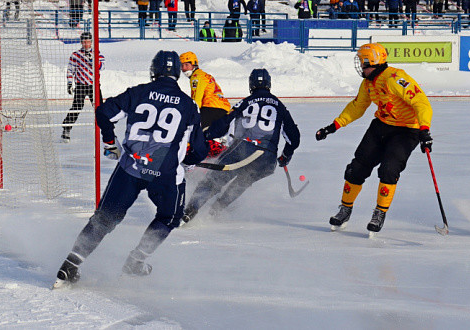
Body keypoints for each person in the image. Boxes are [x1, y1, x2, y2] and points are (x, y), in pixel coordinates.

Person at [54, 50, 208, 287]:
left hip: (131, 167)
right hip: (165, 174)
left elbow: (103, 112)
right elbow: (199, 149)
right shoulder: (189, 106)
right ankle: (136, 260)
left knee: (104, 218)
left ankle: (71, 264)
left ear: (154, 70)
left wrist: (109, 141)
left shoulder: (139, 92)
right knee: (170, 217)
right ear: (177, 72)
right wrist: (187, 162)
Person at [315, 43, 433, 234]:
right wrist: (333, 126)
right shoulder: (368, 83)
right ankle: (345, 209)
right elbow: (357, 107)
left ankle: (380, 212)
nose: (361, 67)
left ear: (373, 62)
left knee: (389, 169)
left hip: (406, 131)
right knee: (356, 168)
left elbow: (422, 103)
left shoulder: (395, 78)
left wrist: (424, 130)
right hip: (380, 127)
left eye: (363, 63)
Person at [182, 69, 301, 222]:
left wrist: (206, 135)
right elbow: (294, 138)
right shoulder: (280, 106)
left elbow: (224, 122)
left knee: (214, 180)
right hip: (267, 158)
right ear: (269, 84)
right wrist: (285, 156)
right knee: (242, 182)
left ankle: (190, 211)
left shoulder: (246, 101)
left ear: (251, 84)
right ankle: (216, 210)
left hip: (243, 149)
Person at [61, 32, 105, 142]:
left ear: (91, 42)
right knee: (76, 107)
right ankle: (66, 129)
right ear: (81, 42)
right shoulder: (75, 55)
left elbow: (102, 67)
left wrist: (93, 60)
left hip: (93, 86)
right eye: (84, 42)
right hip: (80, 85)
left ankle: (107, 130)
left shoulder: (98, 54)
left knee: (100, 108)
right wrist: (70, 83)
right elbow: (70, 70)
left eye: (88, 41)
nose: (86, 44)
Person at [179, 51, 231, 131]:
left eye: (186, 65)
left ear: (194, 64)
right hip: (223, 108)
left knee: (195, 132)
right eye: (182, 66)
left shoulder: (196, 76)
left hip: (210, 108)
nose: (184, 69)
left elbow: (196, 100)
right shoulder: (204, 74)